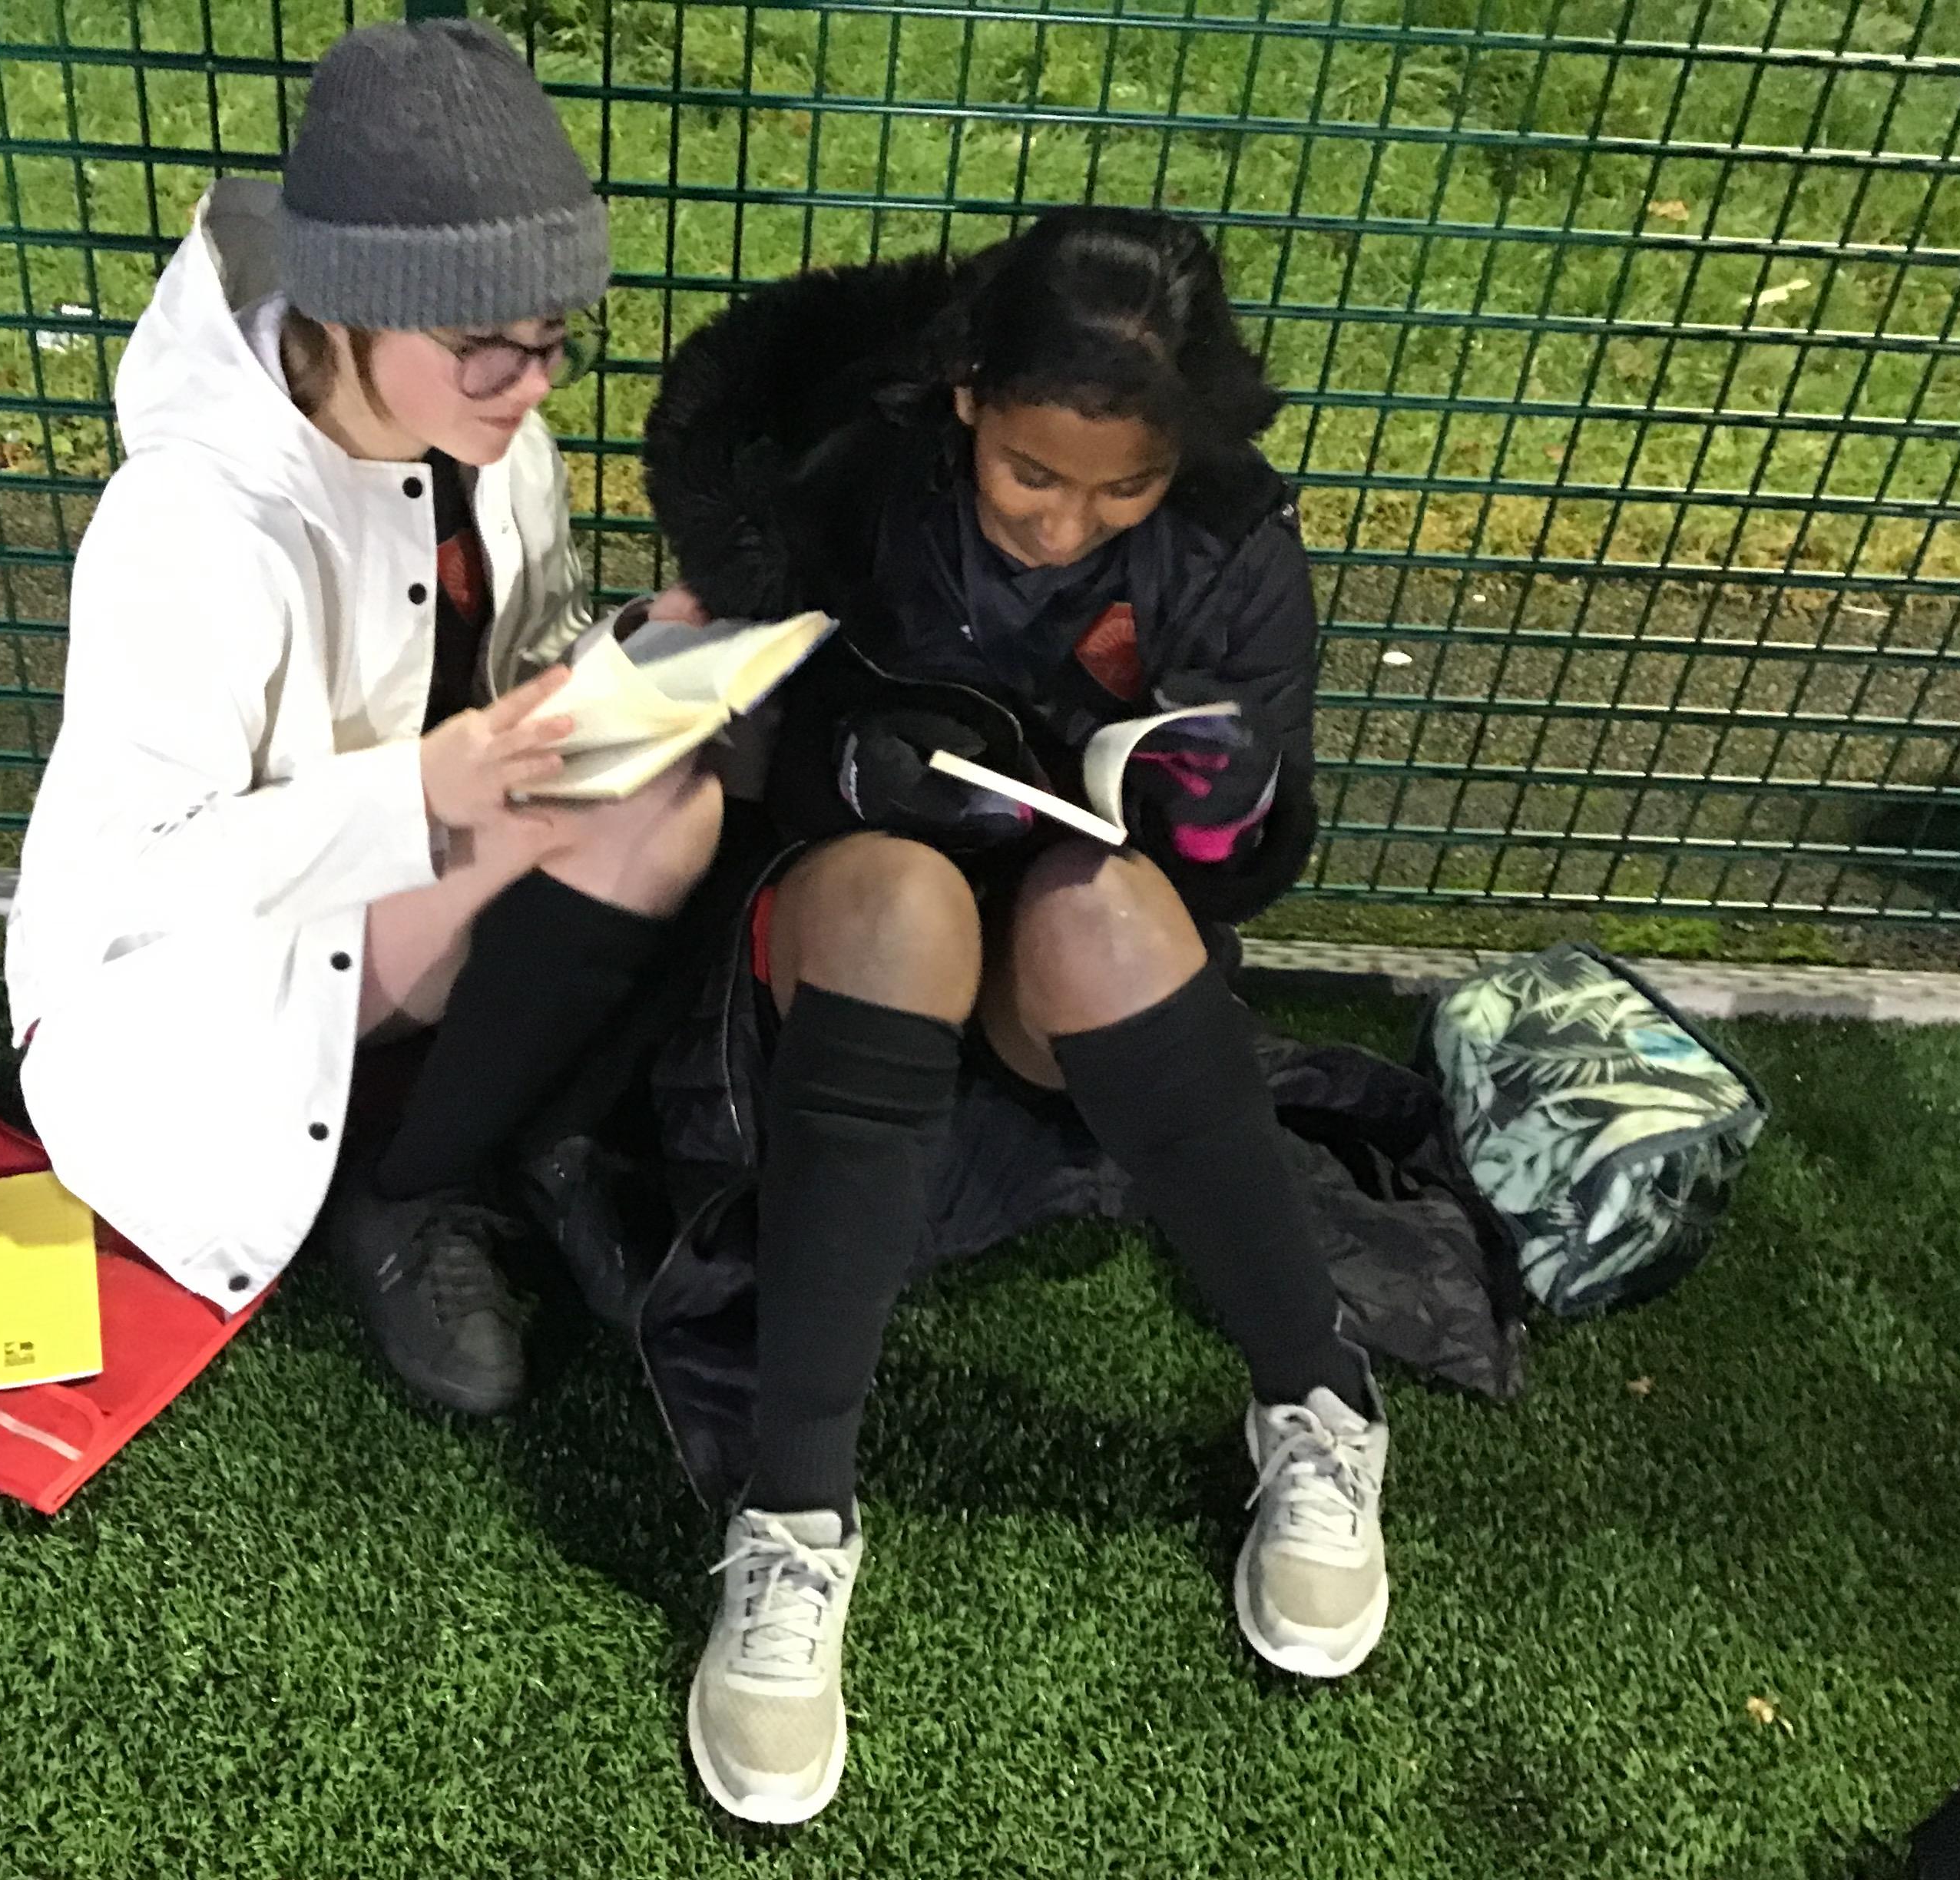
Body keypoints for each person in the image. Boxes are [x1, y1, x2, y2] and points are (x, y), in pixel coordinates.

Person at [639, 207, 1390, 1823]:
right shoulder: (845, 473)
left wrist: (1228, 821)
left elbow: (1247, 872)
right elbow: (729, 745)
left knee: (1102, 918)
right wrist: (857, 767)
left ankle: (1318, 1401)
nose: (1067, 526)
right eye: (1034, 475)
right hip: (850, 937)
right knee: (906, 904)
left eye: (1123, 489)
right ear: (967, 395)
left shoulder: (1232, 540)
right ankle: (793, 1522)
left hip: (1066, 978)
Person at [6, 21, 721, 1418]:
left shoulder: (493, 442)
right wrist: (422, 793)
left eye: (554, 344)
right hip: (202, 981)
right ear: (349, 314)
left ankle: (552, 1140)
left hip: (407, 888)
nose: (532, 387)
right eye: (487, 349)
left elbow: (518, 662)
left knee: (700, 758)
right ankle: (412, 1189)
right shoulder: (191, 519)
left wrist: (639, 652)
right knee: (640, 815)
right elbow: (129, 876)